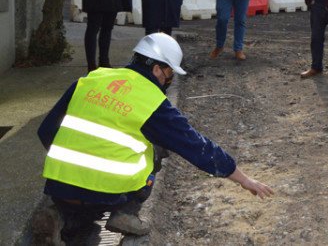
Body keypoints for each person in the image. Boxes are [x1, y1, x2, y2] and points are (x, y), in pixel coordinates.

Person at [33, 33, 273, 243]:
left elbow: (46, 131)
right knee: (157, 147)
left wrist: (73, 166)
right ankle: (126, 211)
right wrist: (243, 179)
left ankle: (61, 216)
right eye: (169, 73)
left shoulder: (90, 79)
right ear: (157, 69)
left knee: (79, 215)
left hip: (60, 187)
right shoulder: (152, 102)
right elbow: (196, 146)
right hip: (108, 195)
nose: (169, 80)